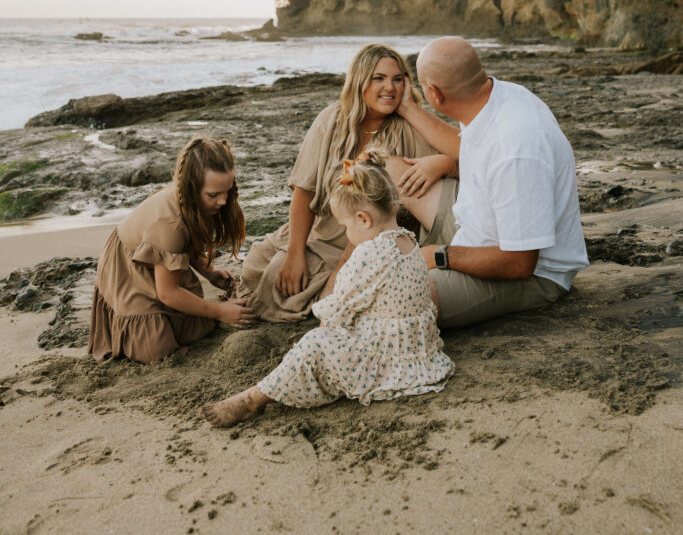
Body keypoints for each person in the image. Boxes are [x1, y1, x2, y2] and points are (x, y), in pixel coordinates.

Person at [202, 153, 454, 427]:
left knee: (314, 343)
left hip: (386, 360)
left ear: (364, 219)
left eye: (346, 226)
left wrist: (326, 327)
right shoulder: (408, 240)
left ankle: (254, 399)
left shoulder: (371, 253)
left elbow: (337, 306)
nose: (347, 234)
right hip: (416, 351)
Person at [235, 43, 459, 322]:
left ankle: (334, 293)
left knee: (285, 290)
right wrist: (295, 254)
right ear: (359, 81)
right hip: (323, 232)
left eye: (397, 79)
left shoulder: (410, 128)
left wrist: (445, 162)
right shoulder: (331, 120)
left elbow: (467, 154)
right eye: (378, 78)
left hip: (372, 241)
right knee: (258, 266)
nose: (389, 87)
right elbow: (304, 193)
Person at [397, 36, 589, 328]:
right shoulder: (494, 96)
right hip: (475, 228)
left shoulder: (515, 148)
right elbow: (476, 149)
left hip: (532, 273)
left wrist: (438, 255)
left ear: (435, 94)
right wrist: (412, 111)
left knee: (398, 300)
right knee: (388, 172)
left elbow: (519, 263)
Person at [88, 137, 255, 363]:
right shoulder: (169, 224)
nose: (224, 201)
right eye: (213, 195)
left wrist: (209, 271)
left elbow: (187, 243)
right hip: (128, 266)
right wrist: (220, 311)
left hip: (159, 258)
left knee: (197, 326)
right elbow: (167, 292)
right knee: (156, 351)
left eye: (227, 191)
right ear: (191, 187)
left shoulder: (192, 202)